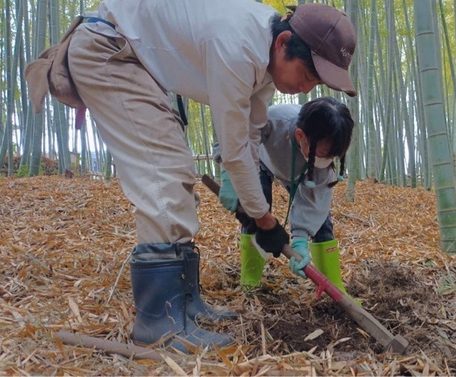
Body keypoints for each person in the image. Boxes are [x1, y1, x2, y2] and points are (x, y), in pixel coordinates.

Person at [63, 0, 357, 353]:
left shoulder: (264, 64)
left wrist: (258, 208)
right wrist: (264, 220)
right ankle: (160, 322)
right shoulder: (239, 48)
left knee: (179, 172)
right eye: (308, 76)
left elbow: (249, 133)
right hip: (109, 49)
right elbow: (234, 150)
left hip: (137, 61)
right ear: (283, 44)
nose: (306, 89)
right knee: (165, 174)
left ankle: (185, 305)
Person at [215, 97, 355, 296]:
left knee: (323, 222)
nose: (327, 160)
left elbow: (314, 205)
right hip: (262, 162)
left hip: (302, 174)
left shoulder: (324, 164)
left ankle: (334, 287)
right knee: (255, 212)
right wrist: (228, 173)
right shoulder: (271, 120)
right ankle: (250, 280)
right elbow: (233, 137)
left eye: (332, 156)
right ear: (300, 135)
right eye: (324, 153)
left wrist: (300, 240)